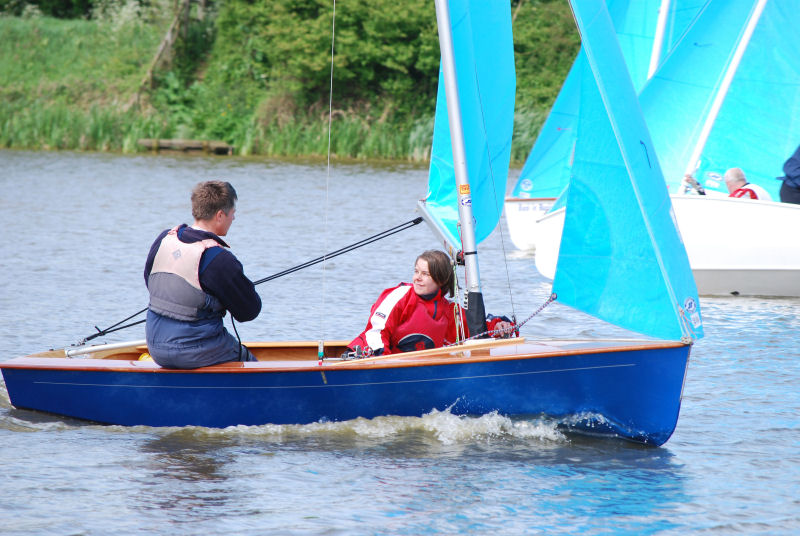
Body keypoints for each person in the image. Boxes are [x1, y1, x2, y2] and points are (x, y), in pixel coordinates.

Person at [143, 181, 262, 369]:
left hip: (155, 345)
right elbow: (249, 311)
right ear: (220, 215)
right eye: (233, 213)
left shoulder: (164, 239)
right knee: (250, 364)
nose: (234, 218)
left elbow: (151, 282)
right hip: (195, 350)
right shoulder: (220, 259)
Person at [346, 250, 515, 357]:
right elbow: (375, 332)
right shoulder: (401, 295)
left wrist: (499, 326)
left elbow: (476, 331)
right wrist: (383, 362)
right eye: (416, 271)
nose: (417, 278)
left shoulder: (449, 311)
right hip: (369, 361)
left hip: (409, 372)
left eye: (425, 274)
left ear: (441, 280)